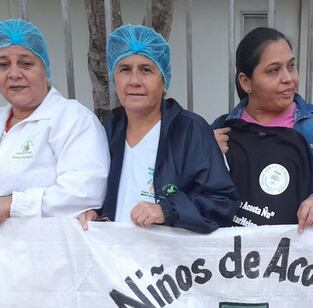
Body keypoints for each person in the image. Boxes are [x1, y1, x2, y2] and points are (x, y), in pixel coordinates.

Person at [0, 19, 109, 237]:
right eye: (3, 64)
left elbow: (84, 193)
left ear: (45, 69)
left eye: (26, 64)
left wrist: (12, 205)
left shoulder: (73, 119)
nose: (14, 74)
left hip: (47, 258)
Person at [80, 24, 237, 233]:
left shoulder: (189, 131)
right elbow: (95, 189)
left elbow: (222, 203)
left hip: (168, 263)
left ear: (164, 80)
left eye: (146, 70)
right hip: (112, 261)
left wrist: (166, 210)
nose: (134, 81)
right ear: (113, 78)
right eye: (125, 70)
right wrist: (93, 211)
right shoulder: (107, 131)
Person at [212, 27, 313, 231]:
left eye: (291, 66)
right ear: (246, 82)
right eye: (274, 70)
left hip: (297, 254)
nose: (288, 78)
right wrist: (206, 155)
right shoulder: (222, 130)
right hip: (235, 255)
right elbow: (195, 190)